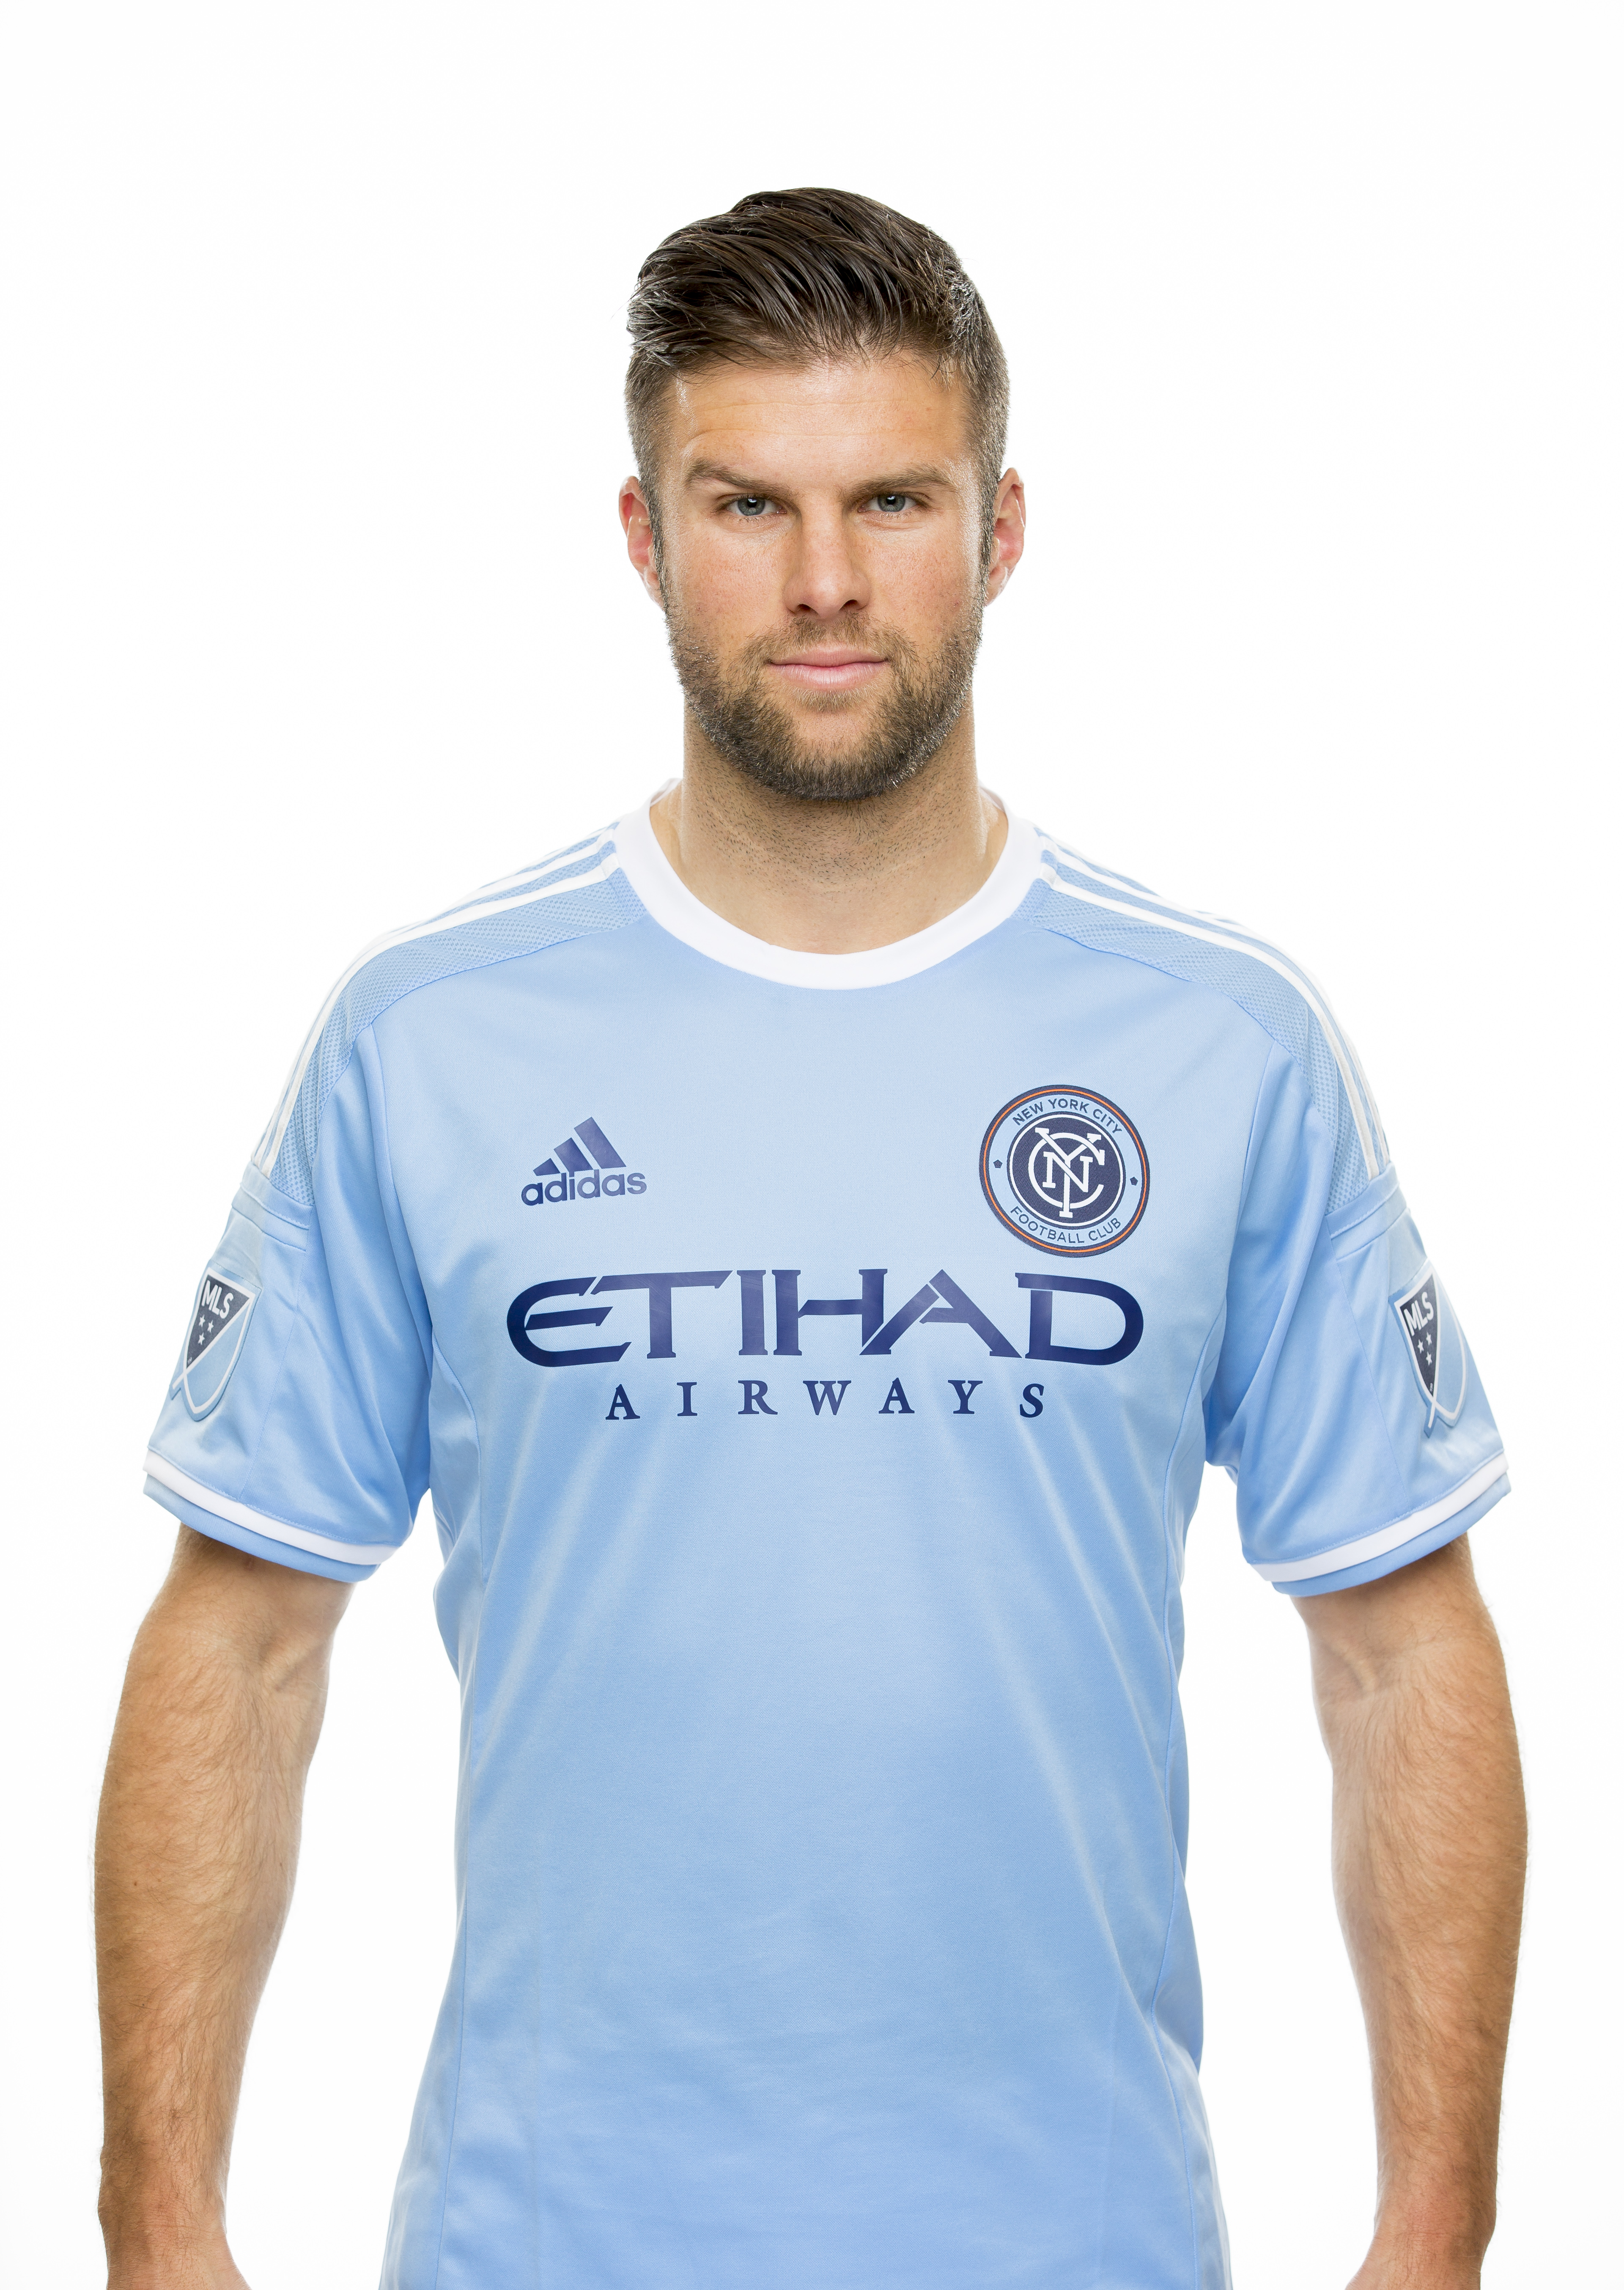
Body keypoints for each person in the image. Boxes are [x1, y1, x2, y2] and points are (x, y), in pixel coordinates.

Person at [96, 188, 1525, 2290]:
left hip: (1080, 2247)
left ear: (1003, 530)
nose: (826, 579)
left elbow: (1405, 1650)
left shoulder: (1224, 1043)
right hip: (543, 2248)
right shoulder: (432, 1035)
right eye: (748, 504)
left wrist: (1435, 2235)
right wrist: (157, 2226)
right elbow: (239, 1637)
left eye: (894, 501)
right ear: (643, 535)